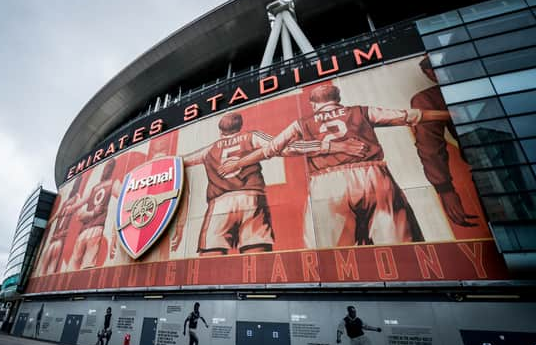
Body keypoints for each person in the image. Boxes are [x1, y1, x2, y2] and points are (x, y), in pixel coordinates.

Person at [219, 83, 452, 247]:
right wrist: (453, 112)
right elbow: (409, 116)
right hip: (372, 173)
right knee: (400, 245)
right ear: (337, 99)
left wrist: (239, 162)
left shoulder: (302, 122)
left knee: (333, 253)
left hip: (327, 182)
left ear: (312, 104)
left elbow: (272, 149)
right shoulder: (360, 111)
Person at [172, 113, 275, 256]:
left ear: (220, 131)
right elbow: (277, 144)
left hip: (220, 203)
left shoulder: (209, 149)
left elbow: (183, 161)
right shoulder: (251, 137)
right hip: (252, 197)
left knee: (211, 255)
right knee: (257, 252)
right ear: (240, 126)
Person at [411, 56, 478, 227]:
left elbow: (430, 147)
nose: (434, 76)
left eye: (436, 71)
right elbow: (429, 146)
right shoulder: (431, 98)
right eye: (430, 74)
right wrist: (444, 189)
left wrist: (445, 189)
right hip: (484, 159)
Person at [69, 161, 118, 271]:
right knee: (86, 265)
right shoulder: (112, 183)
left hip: (88, 229)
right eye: (106, 168)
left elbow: (77, 205)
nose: (105, 171)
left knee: (76, 265)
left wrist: (72, 208)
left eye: (107, 168)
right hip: (95, 228)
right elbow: (121, 194)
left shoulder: (95, 187)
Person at [39, 177, 85, 275]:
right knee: (50, 271)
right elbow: (79, 209)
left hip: (53, 240)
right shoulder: (76, 198)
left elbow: (54, 217)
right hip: (59, 240)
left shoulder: (65, 203)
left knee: (43, 272)